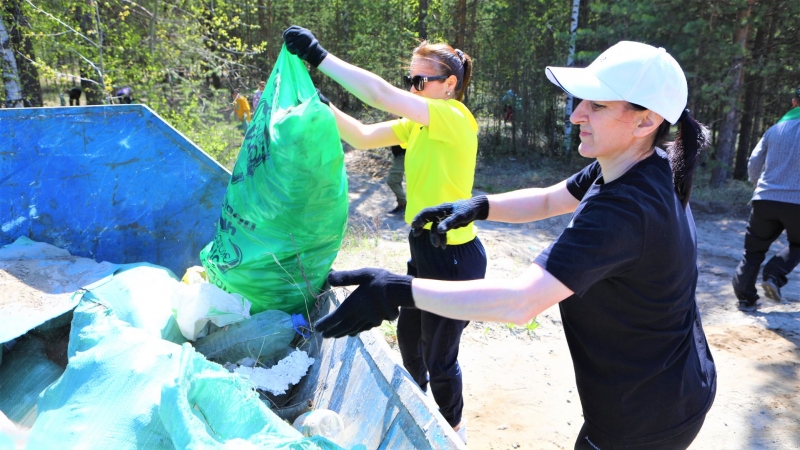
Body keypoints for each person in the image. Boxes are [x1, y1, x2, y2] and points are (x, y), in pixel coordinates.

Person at [317, 41, 717, 449]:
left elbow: (521, 302)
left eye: (597, 106)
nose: (577, 113)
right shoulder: (639, 162)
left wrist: (396, 290)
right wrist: (480, 206)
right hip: (666, 381)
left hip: (645, 412)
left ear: (645, 121)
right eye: (582, 102)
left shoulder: (625, 209)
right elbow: (549, 199)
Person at [283, 26, 481, 443]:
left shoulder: (454, 118)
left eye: (419, 81)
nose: (411, 87)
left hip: (455, 259)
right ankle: (419, 414)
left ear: (449, 85)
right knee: (410, 342)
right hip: (423, 252)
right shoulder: (420, 126)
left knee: (440, 355)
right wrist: (322, 104)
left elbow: (381, 94)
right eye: (410, 80)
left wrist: (320, 56)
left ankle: (453, 430)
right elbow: (362, 134)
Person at [732, 84, 800, 311]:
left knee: (753, 251)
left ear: (794, 102)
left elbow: (754, 163)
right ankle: (774, 274)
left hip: (765, 199)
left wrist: (760, 189)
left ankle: (746, 298)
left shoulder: (774, 129)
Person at [386, 144, 407, 214]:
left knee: (392, 181)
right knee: (397, 181)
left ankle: (405, 204)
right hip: (399, 156)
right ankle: (401, 205)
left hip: (403, 155)